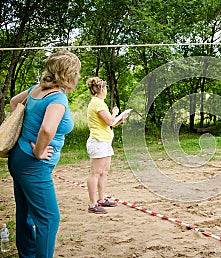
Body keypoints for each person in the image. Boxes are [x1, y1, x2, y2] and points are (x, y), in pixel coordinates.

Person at [7, 50, 81, 257]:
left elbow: (14, 102)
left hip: (18, 158)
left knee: (26, 213)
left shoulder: (36, 90)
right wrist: (39, 151)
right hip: (33, 165)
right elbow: (47, 129)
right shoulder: (57, 98)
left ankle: (27, 255)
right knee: (49, 219)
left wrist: (23, 136)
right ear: (69, 74)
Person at [86, 77, 128, 214]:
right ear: (101, 89)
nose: (106, 91)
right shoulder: (97, 104)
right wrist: (115, 113)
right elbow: (110, 120)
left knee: (104, 172)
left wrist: (121, 118)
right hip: (98, 142)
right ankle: (92, 204)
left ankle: (101, 199)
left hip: (104, 142)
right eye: (105, 89)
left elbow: (111, 124)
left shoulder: (99, 103)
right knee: (95, 173)